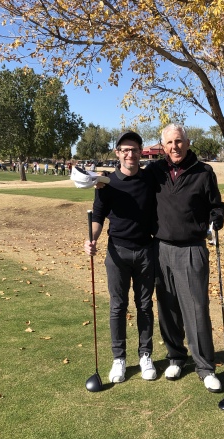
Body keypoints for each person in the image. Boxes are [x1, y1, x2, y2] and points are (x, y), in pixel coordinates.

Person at [147, 123, 224, 393]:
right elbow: (131, 185)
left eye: (179, 141)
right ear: (163, 145)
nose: (174, 147)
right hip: (160, 249)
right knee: (167, 308)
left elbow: (216, 206)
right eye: (169, 143)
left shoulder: (204, 172)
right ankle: (176, 357)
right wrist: (102, 184)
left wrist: (216, 220)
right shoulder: (155, 171)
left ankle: (205, 367)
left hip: (192, 248)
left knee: (196, 309)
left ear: (188, 142)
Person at [84, 131, 157, 383]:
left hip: (147, 250)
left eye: (134, 149)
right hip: (117, 252)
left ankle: (145, 355)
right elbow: (98, 217)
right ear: (117, 153)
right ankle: (119, 359)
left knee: (145, 306)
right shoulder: (106, 184)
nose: (130, 154)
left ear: (140, 152)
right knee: (118, 306)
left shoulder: (150, 179)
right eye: (125, 150)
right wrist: (91, 239)